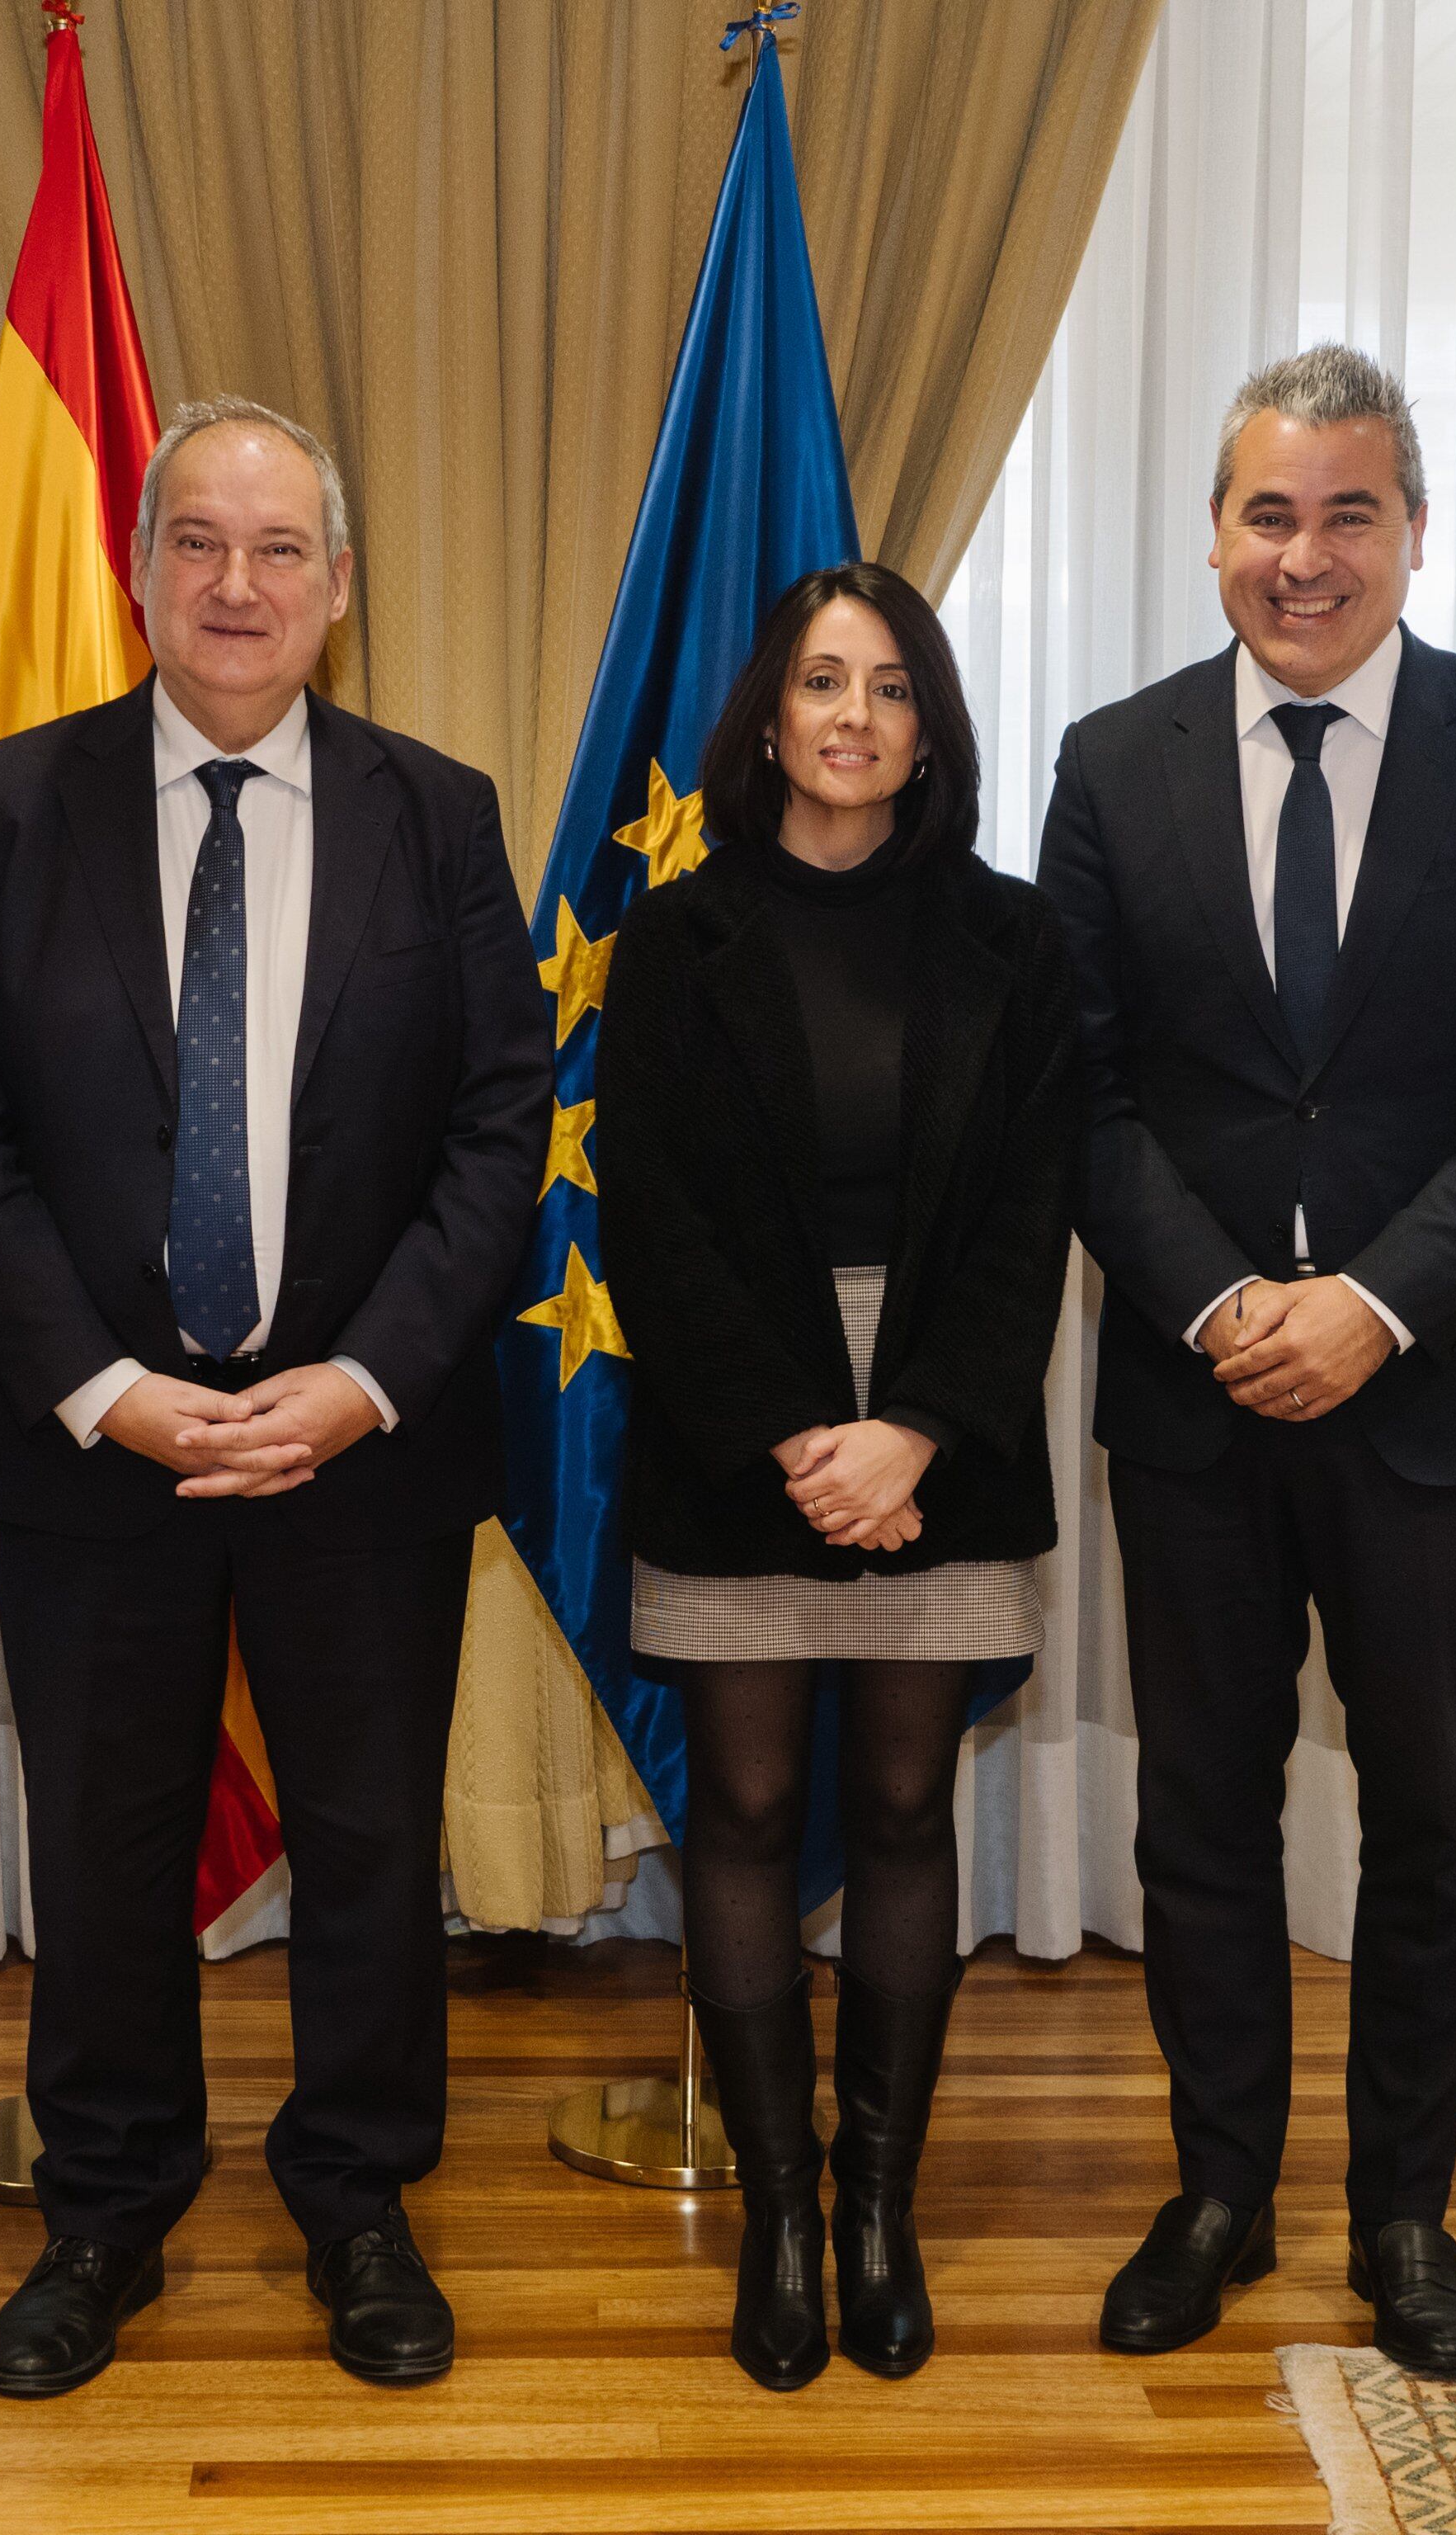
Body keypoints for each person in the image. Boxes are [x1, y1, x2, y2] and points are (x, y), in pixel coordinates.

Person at [0, 396, 552, 2397]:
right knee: (104, 1845)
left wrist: (357, 1382)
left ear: (338, 589)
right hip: (99, 1446)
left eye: (280, 550)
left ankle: (356, 2204)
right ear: (139, 570)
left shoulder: (434, 813)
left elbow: (497, 1125)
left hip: (361, 1445)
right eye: (199, 542)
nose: (237, 584)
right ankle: (104, 2213)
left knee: (364, 1843)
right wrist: (101, 1386)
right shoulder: (14, 805)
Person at [1034, 347, 1456, 2377]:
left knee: (1430, 1819)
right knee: (1196, 1810)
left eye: (1344, 512)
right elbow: (1083, 1097)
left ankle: (1402, 2217)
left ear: (1409, 531)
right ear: (1213, 534)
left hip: (1431, 1395)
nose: (1304, 557)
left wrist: (1365, 1305)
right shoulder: (1108, 767)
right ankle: (1214, 2195)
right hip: (1191, 1405)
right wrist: (1218, 1308)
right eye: (1266, 515)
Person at [599, 562, 1081, 2389]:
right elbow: (647, 1217)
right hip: (747, 1426)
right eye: (821, 681)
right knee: (734, 1815)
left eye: (889, 686)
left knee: (896, 1813)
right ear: (771, 715)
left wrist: (917, 1434)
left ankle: (881, 2215)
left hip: (940, 1422)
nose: (855, 716)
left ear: (928, 725)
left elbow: (1029, 1217)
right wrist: (797, 1437)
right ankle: (781, 2224)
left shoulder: (1016, 942)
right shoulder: (672, 940)